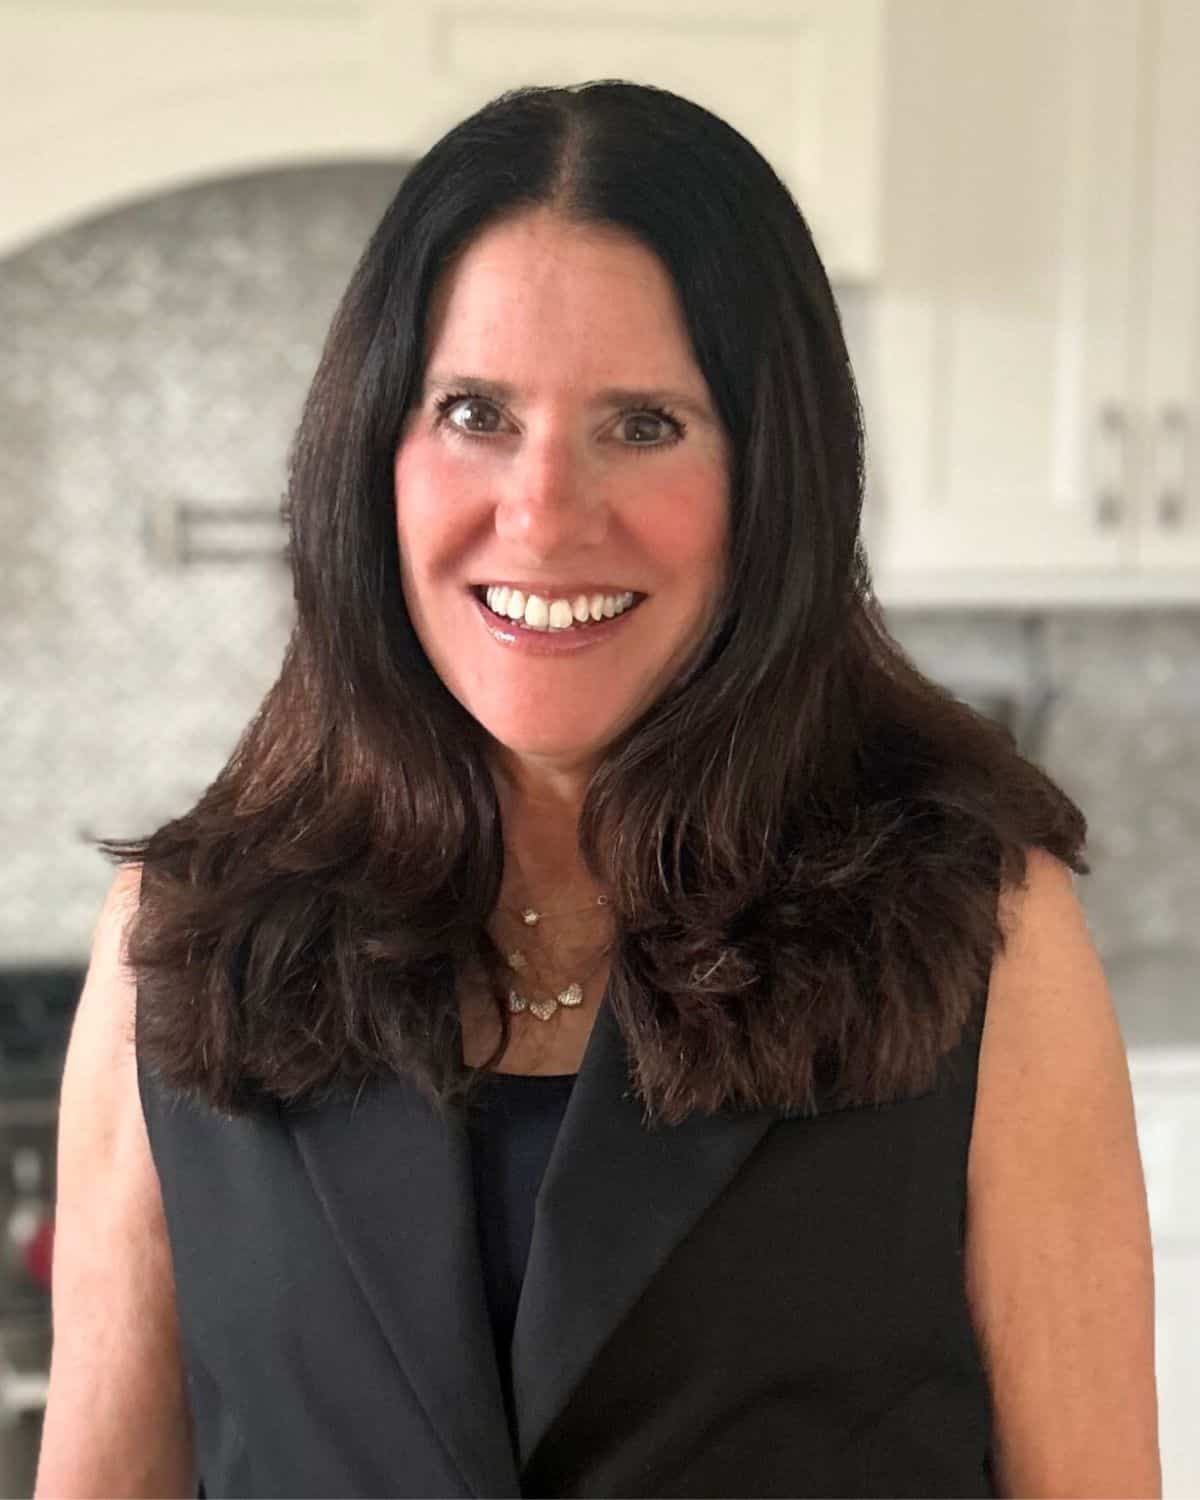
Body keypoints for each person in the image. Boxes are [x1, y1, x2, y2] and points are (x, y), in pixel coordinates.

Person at [35, 80, 1160, 1499]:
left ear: (774, 479)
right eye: (474, 413)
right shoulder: (175, 946)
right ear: (371, 452)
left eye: (643, 423)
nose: (544, 514)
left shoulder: (984, 939)